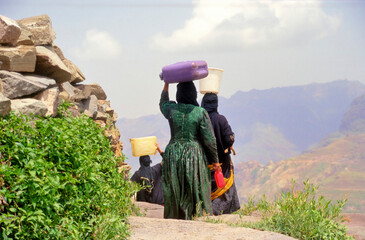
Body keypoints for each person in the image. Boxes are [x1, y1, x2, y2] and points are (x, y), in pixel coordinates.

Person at [159, 81, 220, 220]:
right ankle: (196, 217)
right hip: (194, 155)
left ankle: (174, 218)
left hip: (173, 154)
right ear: (193, 94)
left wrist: (166, 84)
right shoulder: (200, 112)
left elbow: (163, 103)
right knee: (194, 189)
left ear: (178, 94)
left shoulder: (171, 110)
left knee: (174, 190)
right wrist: (215, 161)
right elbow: (209, 140)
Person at [201, 92, 240, 215]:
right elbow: (229, 139)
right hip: (221, 164)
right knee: (224, 188)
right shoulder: (221, 119)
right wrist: (231, 141)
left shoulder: (200, 119)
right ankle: (215, 211)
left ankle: (204, 210)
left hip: (204, 164)